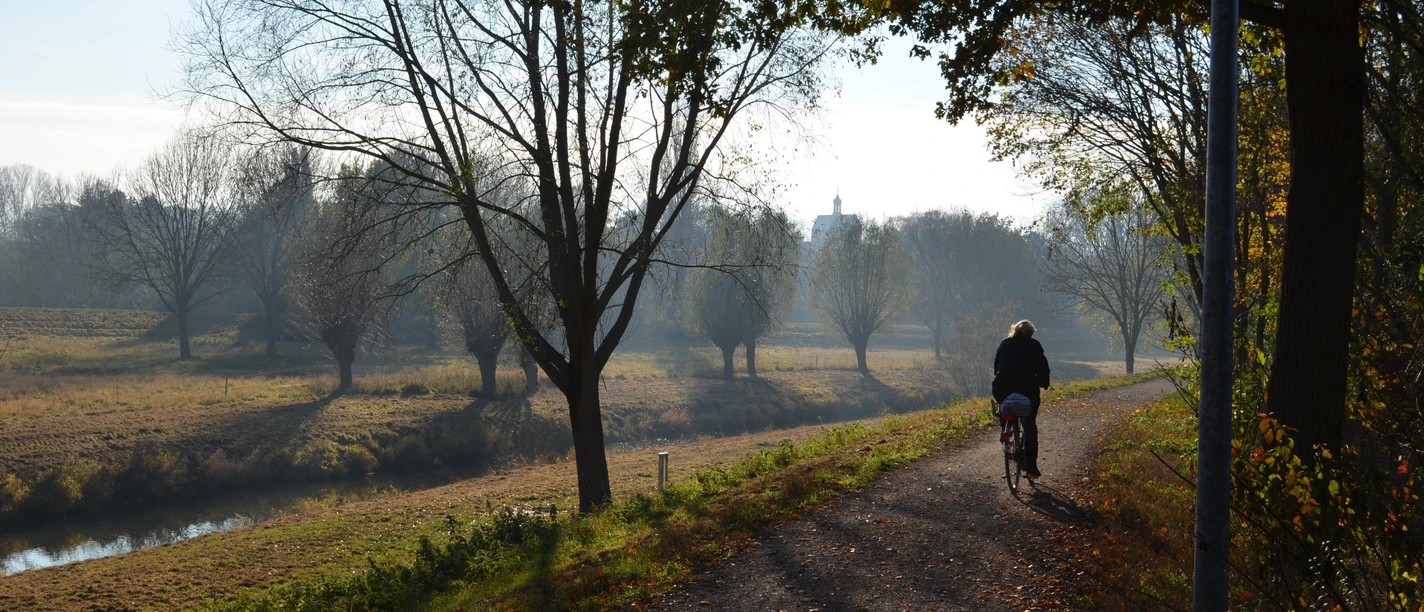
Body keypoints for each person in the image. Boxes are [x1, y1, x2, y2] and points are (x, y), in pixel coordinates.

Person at [992, 319, 1051, 479]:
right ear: (1031, 333)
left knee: (1004, 408)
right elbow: (1043, 368)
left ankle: (1005, 429)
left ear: (1015, 330)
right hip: (1027, 389)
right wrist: (1044, 383)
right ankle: (1031, 466)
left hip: (1002, 388)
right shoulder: (1034, 345)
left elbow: (996, 366)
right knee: (1029, 425)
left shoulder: (1005, 344)